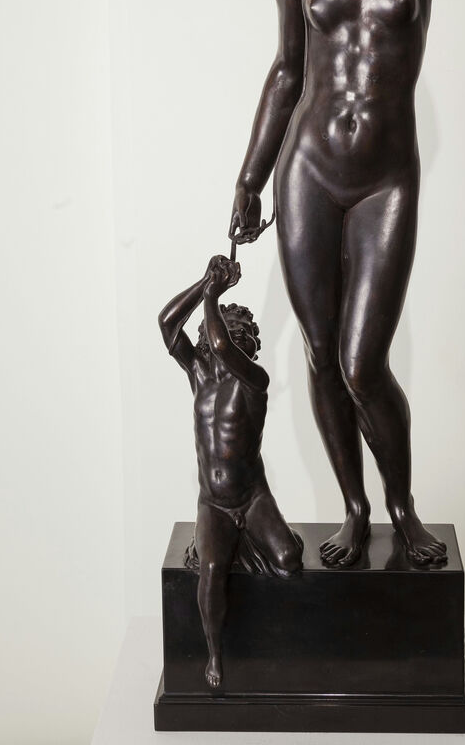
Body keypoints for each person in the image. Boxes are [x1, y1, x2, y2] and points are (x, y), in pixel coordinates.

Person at [230, 0, 457, 568]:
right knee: (322, 353)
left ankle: (402, 507)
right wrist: (250, 178)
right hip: (309, 172)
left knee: (364, 363)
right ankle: (355, 511)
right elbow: (287, 73)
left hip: (386, 180)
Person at [158, 255, 302, 688]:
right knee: (212, 568)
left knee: (289, 559)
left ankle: (261, 540)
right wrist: (204, 282)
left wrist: (213, 296)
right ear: (204, 337)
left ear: (250, 347)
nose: (229, 339)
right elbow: (167, 324)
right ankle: (215, 654)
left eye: (241, 335)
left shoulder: (255, 381)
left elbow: (224, 349)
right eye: (224, 329)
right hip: (214, 503)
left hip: (251, 497)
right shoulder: (199, 375)